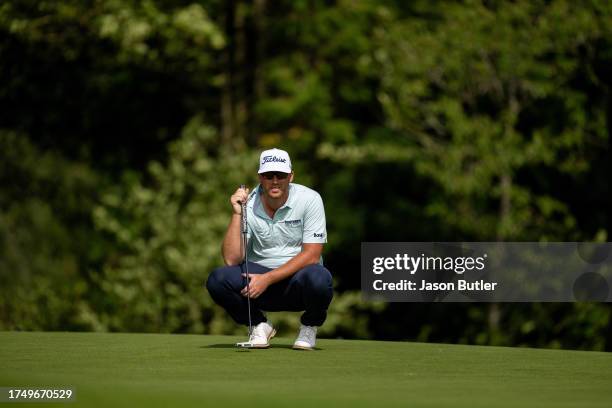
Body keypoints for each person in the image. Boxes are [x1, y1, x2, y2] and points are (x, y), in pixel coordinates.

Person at [206, 148, 333, 350]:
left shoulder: (310, 199)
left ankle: (309, 326)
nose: (275, 181)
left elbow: (312, 255)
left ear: (291, 176)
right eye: (268, 175)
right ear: (260, 177)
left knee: (320, 278)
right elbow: (231, 259)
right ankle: (259, 325)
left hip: (297, 282)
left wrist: (269, 278)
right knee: (217, 280)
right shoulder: (248, 202)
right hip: (257, 283)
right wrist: (237, 213)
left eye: (281, 175)